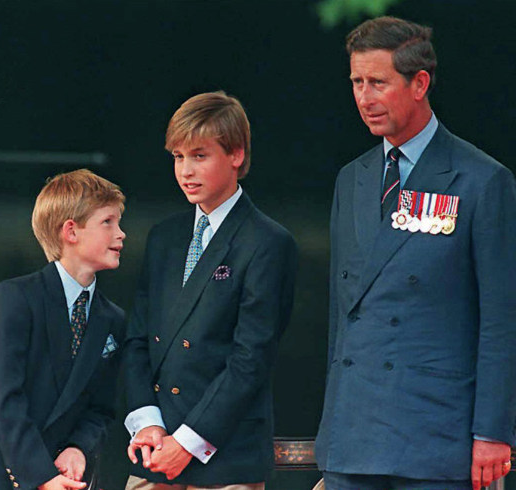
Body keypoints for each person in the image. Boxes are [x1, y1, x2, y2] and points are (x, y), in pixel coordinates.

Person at [315, 16, 516, 490]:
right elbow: (343, 316)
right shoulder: (353, 178)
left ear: (420, 83)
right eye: (357, 83)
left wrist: (492, 431)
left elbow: (501, 320)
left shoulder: (482, 180)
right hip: (352, 433)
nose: (365, 98)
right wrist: (333, 424)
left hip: (436, 437)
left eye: (378, 83)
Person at [123, 91, 297, 488]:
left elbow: (250, 358)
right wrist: (146, 422)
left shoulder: (268, 242)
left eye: (200, 155)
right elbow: (137, 340)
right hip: (154, 448)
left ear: (236, 155)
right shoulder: (163, 237)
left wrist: (186, 443)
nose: (186, 170)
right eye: (178, 157)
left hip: (224, 455)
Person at [0, 169, 127, 490]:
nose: (121, 234)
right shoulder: (17, 297)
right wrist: (40, 476)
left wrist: (78, 447)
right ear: (71, 231)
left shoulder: (113, 319)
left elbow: (101, 408)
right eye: (108, 222)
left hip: (52, 476)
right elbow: (5, 397)